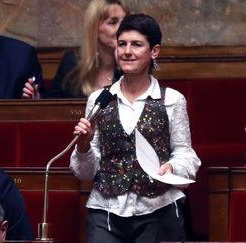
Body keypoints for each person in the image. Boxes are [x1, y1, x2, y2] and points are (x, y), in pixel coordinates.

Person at [70, 14, 201, 243]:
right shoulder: (99, 100)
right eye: (122, 44)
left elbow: (185, 154)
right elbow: (84, 173)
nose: (127, 51)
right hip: (106, 211)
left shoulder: (171, 100)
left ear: (154, 51)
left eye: (137, 44)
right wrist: (83, 146)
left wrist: (171, 166)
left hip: (158, 210)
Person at [22, 0, 128, 99]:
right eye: (113, 22)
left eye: (126, 21)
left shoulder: (134, 63)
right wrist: (36, 100)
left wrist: (123, 68)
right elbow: (52, 105)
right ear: (94, 29)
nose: (122, 28)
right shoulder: (72, 62)